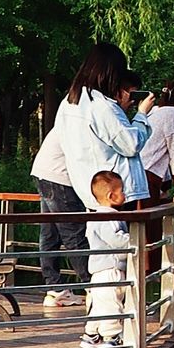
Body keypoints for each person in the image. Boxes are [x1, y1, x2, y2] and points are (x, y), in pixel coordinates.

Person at [34, 44, 135, 311]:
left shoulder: (72, 99)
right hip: (61, 176)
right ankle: (95, 290)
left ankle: (54, 287)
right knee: (74, 233)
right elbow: (124, 145)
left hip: (44, 170)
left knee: (51, 233)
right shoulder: (96, 106)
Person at [84, 168, 134, 348]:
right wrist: (135, 241)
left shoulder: (99, 215)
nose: (125, 195)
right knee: (111, 304)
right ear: (112, 196)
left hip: (102, 270)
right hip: (109, 270)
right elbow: (116, 240)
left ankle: (91, 334)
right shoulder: (107, 217)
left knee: (99, 304)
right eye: (122, 191)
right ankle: (111, 336)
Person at [139, 81, 174, 199]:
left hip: (136, 176)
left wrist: (165, 187)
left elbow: (162, 152)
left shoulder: (154, 112)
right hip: (146, 179)